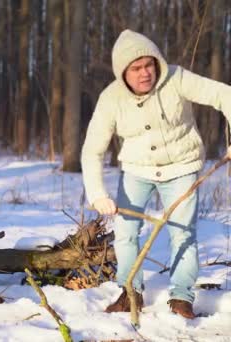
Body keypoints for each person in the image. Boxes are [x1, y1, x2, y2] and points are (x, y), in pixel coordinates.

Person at [81, 29, 231, 319]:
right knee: (125, 232)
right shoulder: (110, 98)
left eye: (149, 64)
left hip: (181, 168)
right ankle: (130, 292)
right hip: (137, 171)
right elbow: (92, 150)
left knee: (183, 234)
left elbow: (225, 94)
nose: (145, 73)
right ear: (123, 73)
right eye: (136, 68)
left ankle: (181, 297)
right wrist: (97, 194)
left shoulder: (177, 78)